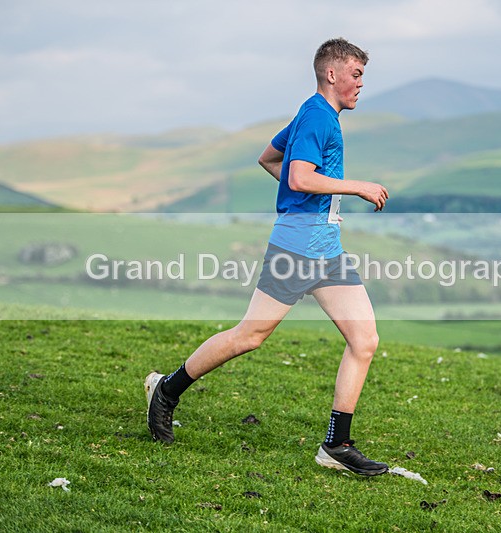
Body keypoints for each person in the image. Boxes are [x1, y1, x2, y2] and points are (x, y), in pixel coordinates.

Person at [145, 37, 390, 476]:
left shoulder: (312, 114)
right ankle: (167, 389)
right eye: (356, 74)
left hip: (326, 249)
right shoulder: (317, 116)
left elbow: (269, 157)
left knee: (364, 340)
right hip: (296, 248)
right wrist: (358, 186)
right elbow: (298, 176)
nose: (360, 84)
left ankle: (336, 445)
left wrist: (306, 198)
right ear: (331, 73)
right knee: (249, 336)